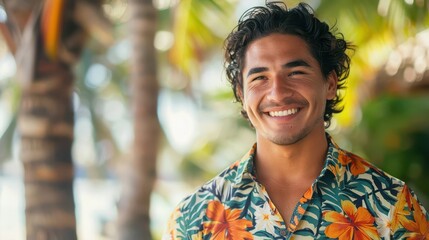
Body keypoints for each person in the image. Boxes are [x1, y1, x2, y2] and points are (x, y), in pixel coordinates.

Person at [163, 2, 429, 239]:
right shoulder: (195, 219)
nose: (278, 92)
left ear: (329, 83)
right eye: (259, 78)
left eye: (296, 72)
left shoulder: (392, 204)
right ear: (242, 95)